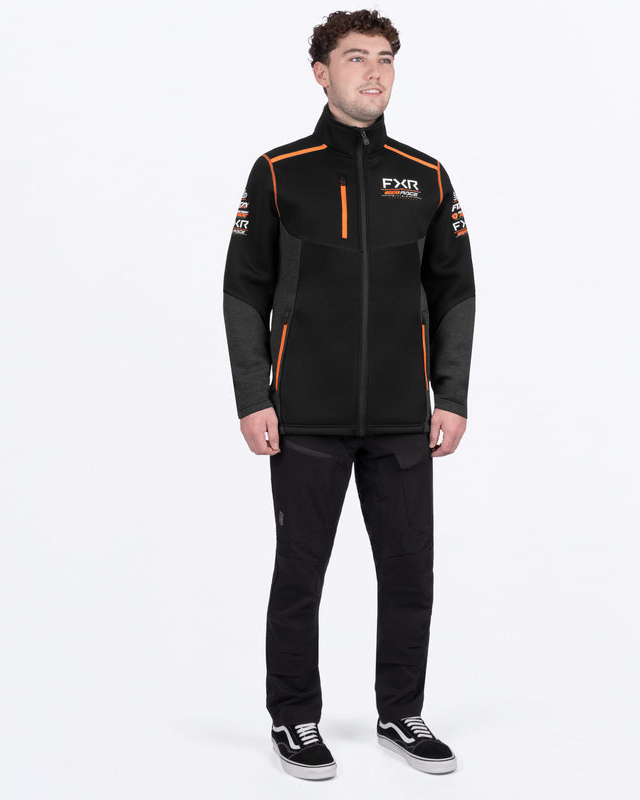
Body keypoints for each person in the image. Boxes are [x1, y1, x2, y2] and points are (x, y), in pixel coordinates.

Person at [222, 9, 475, 781]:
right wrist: (253, 395)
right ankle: (294, 717)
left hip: (402, 418)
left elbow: (455, 291)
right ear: (320, 73)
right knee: (300, 573)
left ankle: (401, 712)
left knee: (410, 573)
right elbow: (243, 289)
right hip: (304, 417)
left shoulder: (425, 176)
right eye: (357, 57)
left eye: (386, 58)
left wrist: (451, 394)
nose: (374, 71)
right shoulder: (279, 171)